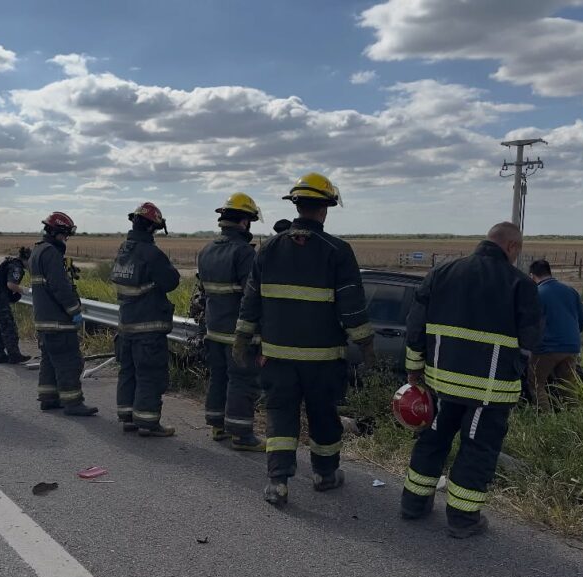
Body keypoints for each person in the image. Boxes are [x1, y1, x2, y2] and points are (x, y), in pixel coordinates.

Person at [235, 173, 375, 506]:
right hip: (322, 361)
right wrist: (367, 347)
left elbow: (250, 300)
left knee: (280, 417)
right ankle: (325, 475)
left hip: (277, 359)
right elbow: (352, 306)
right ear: (326, 208)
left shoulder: (268, 249)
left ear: (296, 204)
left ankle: (277, 482)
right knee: (323, 417)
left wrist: (241, 339)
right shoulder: (338, 251)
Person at [401, 222, 542, 538]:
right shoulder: (520, 285)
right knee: (477, 450)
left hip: (440, 384)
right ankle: (463, 520)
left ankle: (413, 504)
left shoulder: (443, 273)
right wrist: (517, 371)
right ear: (512, 248)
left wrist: (414, 371)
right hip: (489, 392)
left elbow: (415, 325)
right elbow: (530, 340)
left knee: (432, 441)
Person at [196, 193, 265, 451]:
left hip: (213, 329)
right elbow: (253, 295)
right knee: (242, 380)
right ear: (245, 221)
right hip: (238, 332)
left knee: (219, 377)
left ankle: (218, 425)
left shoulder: (207, 250)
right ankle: (242, 434)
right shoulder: (244, 253)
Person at [112, 202, 182, 437]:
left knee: (128, 372)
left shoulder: (124, 249)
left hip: (126, 325)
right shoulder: (151, 253)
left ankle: (128, 417)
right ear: (154, 227)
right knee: (149, 374)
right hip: (148, 326)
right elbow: (171, 281)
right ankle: (148, 423)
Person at [30, 212, 99, 416]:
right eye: (64, 235)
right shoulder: (51, 253)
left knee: (50, 361)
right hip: (58, 321)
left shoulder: (37, 251)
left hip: (43, 320)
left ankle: (48, 398)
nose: (65, 240)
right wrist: (74, 311)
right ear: (57, 232)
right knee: (69, 361)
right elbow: (60, 286)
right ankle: (73, 403)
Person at [528, 259, 583, 411]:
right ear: (549, 272)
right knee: (567, 384)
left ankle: (545, 417)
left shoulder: (537, 294)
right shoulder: (570, 291)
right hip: (572, 346)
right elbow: (582, 318)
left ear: (532, 276)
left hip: (547, 348)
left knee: (535, 383)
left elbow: (530, 322)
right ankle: (574, 414)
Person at [0, 246, 32, 364]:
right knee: (9, 327)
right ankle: (14, 355)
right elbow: (11, 285)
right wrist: (27, 291)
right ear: (27, 259)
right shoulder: (16, 267)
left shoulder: (10, 261)